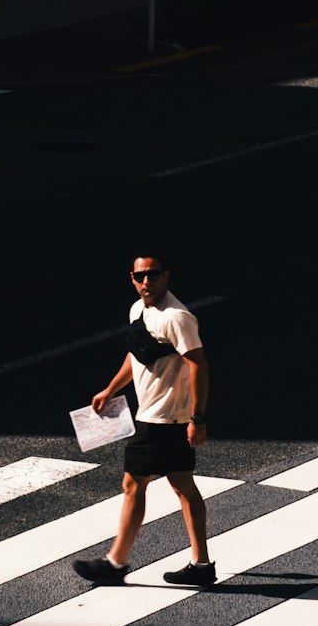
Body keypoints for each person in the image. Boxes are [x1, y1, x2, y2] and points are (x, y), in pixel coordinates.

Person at [73, 250, 213, 587]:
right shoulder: (139, 310)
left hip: (163, 419)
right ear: (132, 279)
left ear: (167, 275)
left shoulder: (177, 318)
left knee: (133, 484)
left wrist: (198, 418)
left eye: (153, 274)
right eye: (139, 276)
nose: (146, 282)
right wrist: (110, 389)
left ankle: (116, 563)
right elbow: (137, 356)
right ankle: (202, 564)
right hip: (153, 415)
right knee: (182, 486)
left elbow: (199, 366)